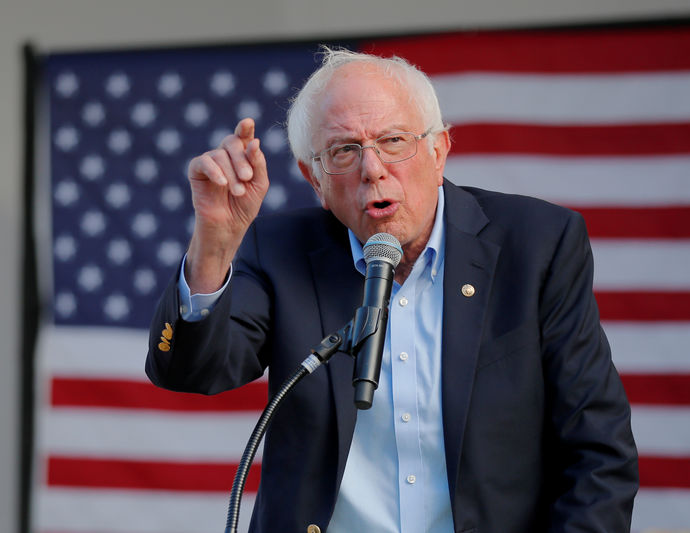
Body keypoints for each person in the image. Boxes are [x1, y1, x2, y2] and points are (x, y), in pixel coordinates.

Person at [146, 47, 638, 532]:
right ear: (313, 178)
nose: (373, 168)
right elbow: (192, 371)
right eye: (344, 150)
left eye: (394, 141)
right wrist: (213, 244)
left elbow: (597, 452)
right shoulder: (279, 250)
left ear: (439, 149)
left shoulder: (536, 246)